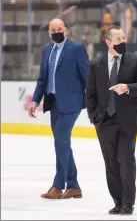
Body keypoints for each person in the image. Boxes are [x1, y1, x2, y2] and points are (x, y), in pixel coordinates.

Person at [86, 25, 137, 215]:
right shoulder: (96, 64)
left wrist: (128, 87)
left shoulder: (135, 60)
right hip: (104, 121)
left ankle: (128, 203)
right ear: (108, 42)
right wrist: (94, 116)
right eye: (118, 40)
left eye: (124, 38)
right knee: (111, 164)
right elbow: (90, 93)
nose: (122, 42)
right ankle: (118, 201)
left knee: (126, 159)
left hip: (127, 120)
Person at [28, 18, 89, 199]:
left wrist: (93, 100)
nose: (56, 32)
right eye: (53, 29)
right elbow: (42, 79)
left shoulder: (76, 49)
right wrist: (35, 101)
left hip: (72, 103)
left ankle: (57, 186)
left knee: (60, 141)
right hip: (53, 102)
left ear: (66, 30)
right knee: (63, 144)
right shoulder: (47, 50)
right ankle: (74, 186)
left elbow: (88, 77)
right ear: (49, 32)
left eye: (59, 28)